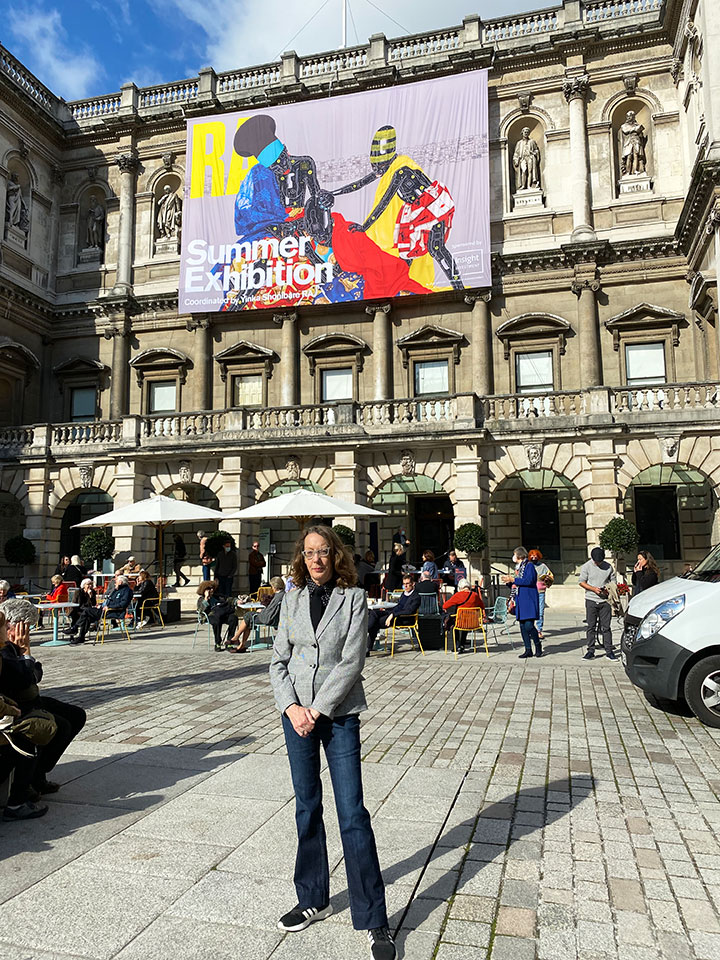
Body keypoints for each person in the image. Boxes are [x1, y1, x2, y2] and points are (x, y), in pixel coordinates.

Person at [270, 525, 395, 960]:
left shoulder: (354, 598)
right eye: (309, 553)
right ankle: (312, 898)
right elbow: (278, 660)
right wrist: (292, 707)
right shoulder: (291, 599)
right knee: (307, 806)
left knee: (352, 813)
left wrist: (317, 709)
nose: (316, 559)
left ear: (335, 555)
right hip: (295, 716)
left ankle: (374, 918)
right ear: (301, 558)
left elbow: (352, 660)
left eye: (323, 551)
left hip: (338, 715)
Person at [0, 607, 86, 815]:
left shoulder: (10, 647)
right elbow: (25, 680)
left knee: (75, 715)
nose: (28, 632)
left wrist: (27, 659)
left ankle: (37, 775)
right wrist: (26, 652)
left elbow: (36, 674)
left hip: (25, 703)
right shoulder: (5, 651)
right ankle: (27, 787)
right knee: (52, 727)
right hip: (17, 708)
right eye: (27, 627)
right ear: (12, 626)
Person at [67, 574, 133, 645]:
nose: (115, 584)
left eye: (116, 582)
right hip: (105, 609)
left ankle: (75, 628)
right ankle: (80, 637)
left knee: (87, 611)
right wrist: (101, 605)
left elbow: (123, 604)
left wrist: (109, 606)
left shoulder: (127, 591)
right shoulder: (116, 590)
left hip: (113, 611)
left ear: (120, 582)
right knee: (87, 616)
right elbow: (108, 601)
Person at [227, 576, 285, 652]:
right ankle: (241, 645)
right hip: (274, 618)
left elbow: (271, 610)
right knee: (248, 620)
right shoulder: (283, 595)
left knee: (247, 616)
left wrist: (261, 611)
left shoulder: (278, 596)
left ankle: (236, 638)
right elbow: (272, 609)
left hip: (269, 618)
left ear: (274, 587)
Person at [579, 547, 617, 661]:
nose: (598, 563)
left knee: (606, 627)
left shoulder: (608, 567)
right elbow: (581, 582)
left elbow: (613, 581)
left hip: (605, 601)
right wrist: (593, 589)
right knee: (591, 627)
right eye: (596, 561)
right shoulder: (586, 566)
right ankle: (590, 651)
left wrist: (608, 589)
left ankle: (609, 651)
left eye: (600, 561)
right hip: (591, 599)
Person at [503, 547, 541, 659]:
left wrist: (513, 580)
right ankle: (528, 649)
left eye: (514, 554)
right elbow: (518, 584)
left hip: (529, 599)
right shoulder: (518, 568)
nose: (513, 557)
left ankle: (538, 645)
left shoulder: (529, 566)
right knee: (523, 626)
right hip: (520, 598)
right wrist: (509, 582)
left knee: (529, 625)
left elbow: (529, 581)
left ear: (519, 555)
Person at [367, 572, 420, 653]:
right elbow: (398, 606)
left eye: (407, 584)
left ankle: (367, 647)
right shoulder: (404, 594)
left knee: (376, 623)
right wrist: (387, 611)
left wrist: (393, 614)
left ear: (413, 584)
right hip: (394, 614)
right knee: (374, 612)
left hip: (403, 618)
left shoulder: (416, 597)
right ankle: (366, 630)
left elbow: (409, 611)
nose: (405, 586)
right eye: (404, 584)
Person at [442, 577, 483, 653]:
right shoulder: (475, 595)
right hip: (473, 623)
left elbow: (445, 606)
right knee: (465, 623)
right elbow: (482, 606)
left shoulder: (458, 595)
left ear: (460, 587)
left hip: (460, 622)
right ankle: (462, 645)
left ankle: (457, 645)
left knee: (454, 625)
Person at [197, 580, 238, 651]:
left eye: (212, 588)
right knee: (216, 621)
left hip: (222, 614)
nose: (211, 590)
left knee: (233, 618)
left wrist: (237, 601)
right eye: (209, 588)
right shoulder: (201, 599)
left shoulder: (218, 596)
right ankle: (217, 642)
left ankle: (229, 641)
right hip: (210, 616)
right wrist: (206, 598)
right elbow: (201, 610)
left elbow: (229, 599)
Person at [528, 549, 553, 640]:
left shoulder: (543, 566)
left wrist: (546, 579)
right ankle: (531, 630)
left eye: (536, 555)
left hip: (540, 591)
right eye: (532, 555)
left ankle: (539, 630)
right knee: (530, 611)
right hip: (530, 591)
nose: (534, 557)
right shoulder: (528, 565)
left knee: (540, 611)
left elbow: (550, 576)